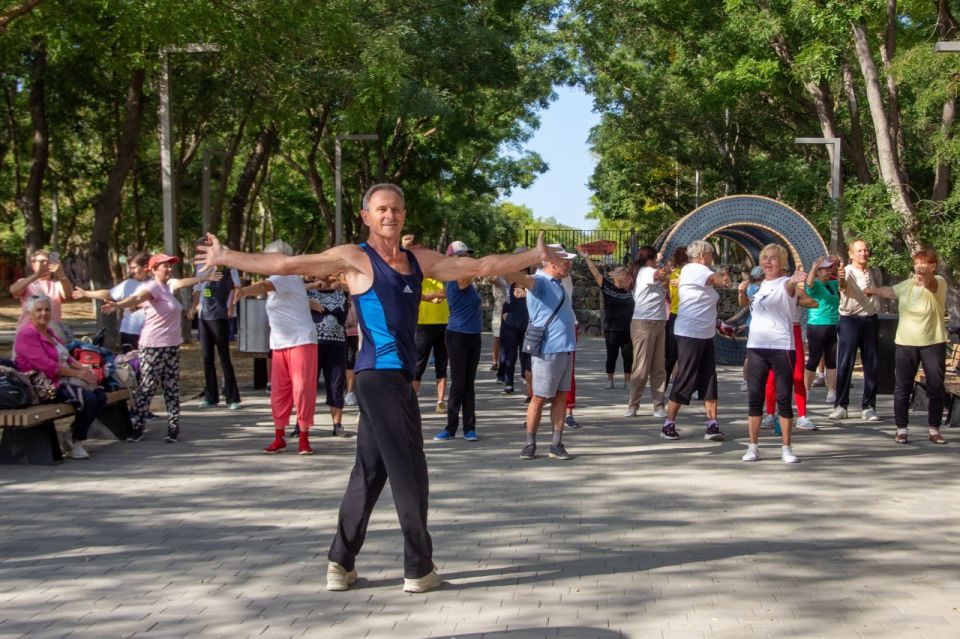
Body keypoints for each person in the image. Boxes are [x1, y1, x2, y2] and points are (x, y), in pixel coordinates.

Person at [195, 182, 560, 594]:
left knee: (369, 472)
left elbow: (479, 267)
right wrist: (226, 256)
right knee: (411, 471)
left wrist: (532, 255)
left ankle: (340, 561)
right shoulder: (353, 257)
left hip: (395, 378)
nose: (391, 215)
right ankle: (418, 567)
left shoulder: (418, 260)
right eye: (382, 209)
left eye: (398, 209)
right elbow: (286, 264)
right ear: (366, 216)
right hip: (378, 376)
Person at [102, 254, 218, 443]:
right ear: (154, 269)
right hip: (153, 346)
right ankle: (137, 428)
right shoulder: (153, 287)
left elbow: (181, 282)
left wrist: (203, 278)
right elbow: (137, 298)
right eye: (165, 266)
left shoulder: (168, 286)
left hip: (171, 346)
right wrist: (118, 305)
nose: (169, 269)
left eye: (170, 266)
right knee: (147, 387)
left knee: (171, 387)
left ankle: (173, 428)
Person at [234, 241, 318, 455]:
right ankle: (279, 437)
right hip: (280, 342)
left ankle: (304, 438)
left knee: (302, 389)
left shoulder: (286, 277)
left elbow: (262, 287)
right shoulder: (284, 280)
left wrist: (243, 291)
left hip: (301, 340)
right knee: (279, 391)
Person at [864, 250, 949, 445]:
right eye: (917, 263)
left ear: (933, 266)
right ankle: (901, 429)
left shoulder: (939, 281)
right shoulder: (908, 285)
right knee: (902, 387)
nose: (919, 267)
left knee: (935, 387)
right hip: (905, 343)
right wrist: (873, 290)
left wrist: (924, 274)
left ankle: (934, 429)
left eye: (924, 264)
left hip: (932, 342)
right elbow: (891, 291)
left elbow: (930, 284)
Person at [506, 246, 578, 461]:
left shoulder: (556, 283)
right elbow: (512, 274)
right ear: (551, 262)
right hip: (549, 350)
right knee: (539, 397)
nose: (569, 264)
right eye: (565, 260)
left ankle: (556, 443)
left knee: (561, 398)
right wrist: (530, 257)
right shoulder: (540, 282)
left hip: (565, 349)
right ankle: (529, 443)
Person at [14, 294, 106, 460]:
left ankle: (73, 434)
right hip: (43, 385)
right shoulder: (26, 335)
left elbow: (67, 357)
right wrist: (78, 374)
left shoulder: (49, 332)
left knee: (100, 395)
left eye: (47, 309)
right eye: (39, 310)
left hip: (61, 379)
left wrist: (85, 371)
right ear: (29, 313)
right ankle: (76, 441)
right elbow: (48, 366)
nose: (44, 313)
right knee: (89, 399)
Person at [740, 244, 804, 463]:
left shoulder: (785, 283)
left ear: (782, 262)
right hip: (756, 347)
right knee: (754, 397)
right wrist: (741, 290)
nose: (768, 262)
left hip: (781, 347)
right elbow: (746, 306)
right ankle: (753, 446)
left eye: (773, 258)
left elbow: (791, 285)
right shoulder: (759, 286)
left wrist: (797, 278)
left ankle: (787, 448)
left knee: (783, 398)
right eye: (765, 258)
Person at [662, 239, 729, 441]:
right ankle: (668, 423)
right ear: (702, 256)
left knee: (709, 377)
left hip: (704, 333)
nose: (711, 259)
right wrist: (724, 275)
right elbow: (721, 281)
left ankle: (712, 424)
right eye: (710, 255)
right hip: (691, 333)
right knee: (686, 377)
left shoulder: (692, 271)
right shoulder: (697, 269)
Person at [435, 241, 483, 442]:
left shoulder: (467, 280)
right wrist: (477, 268)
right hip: (457, 336)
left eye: (467, 254)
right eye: (461, 255)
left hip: (474, 335)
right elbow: (464, 281)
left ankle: (469, 428)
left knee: (469, 384)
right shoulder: (455, 279)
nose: (465, 258)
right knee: (458, 384)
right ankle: (450, 427)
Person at [830, 239, 881, 421]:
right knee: (845, 363)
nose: (863, 253)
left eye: (866, 250)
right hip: (850, 321)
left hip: (871, 321)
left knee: (872, 365)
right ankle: (841, 406)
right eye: (859, 250)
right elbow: (843, 285)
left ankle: (868, 406)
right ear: (851, 254)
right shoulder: (848, 272)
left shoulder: (873, 272)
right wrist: (841, 276)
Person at [188, 259, 242, 410]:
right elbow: (198, 289)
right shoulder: (200, 267)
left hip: (219, 315)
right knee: (207, 357)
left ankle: (232, 397)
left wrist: (231, 307)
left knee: (224, 357)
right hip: (203, 316)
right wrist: (193, 307)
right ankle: (211, 396)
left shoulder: (228, 267)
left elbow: (235, 288)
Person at [623, 246, 670, 418]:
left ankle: (659, 405)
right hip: (644, 323)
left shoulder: (651, 271)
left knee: (658, 367)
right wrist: (665, 266)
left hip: (658, 322)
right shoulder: (646, 271)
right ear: (651, 257)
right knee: (641, 366)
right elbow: (660, 275)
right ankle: (633, 405)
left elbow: (664, 282)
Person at [73, 252, 150, 350]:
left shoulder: (155, 285)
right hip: (129, 332)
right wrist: (86, 293)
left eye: (134, 268)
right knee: (131, 363)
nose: (132, 271)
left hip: (150, 333)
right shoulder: (128, 284)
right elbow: (108, 294)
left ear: (145, 267)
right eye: (130, 268)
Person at [580, 254, 634, 390]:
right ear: (612, 275)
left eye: (624, 271)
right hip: (612, 328)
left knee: (628, 355)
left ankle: (628, 381)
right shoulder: (608, 287)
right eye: (620, 271)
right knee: (612, 355)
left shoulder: (632, 290)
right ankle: (610, 380)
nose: (623, 273)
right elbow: (596, 274)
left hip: (629, 328)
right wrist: (587, 258)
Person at [306, 275, 350, 438]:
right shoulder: (307, 292)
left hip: (337, 345)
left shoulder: (342, 291)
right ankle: (302, 424)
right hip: (312, 345)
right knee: (308, 385)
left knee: (336, 385)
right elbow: (287, 295)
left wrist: (341, 284)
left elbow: (360, 290)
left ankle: (337, 425)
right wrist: (307, 300)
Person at [10, 249, 74, 341]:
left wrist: (61, 273)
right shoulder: (26, 282)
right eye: (41, 261)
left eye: (48, 262)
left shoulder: (57, 284)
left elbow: (68, 294)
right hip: (28, 333)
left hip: (52, 334)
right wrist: (36, 275)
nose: (45, 264)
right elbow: (14, 290)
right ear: (33, 264)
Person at [804, 255, 840, 403]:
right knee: (814, 358)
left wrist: (838, 265)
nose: (828, 271)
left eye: (829, 268)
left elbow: (845, 282)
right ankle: (805, 390)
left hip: (832, 325)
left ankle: (832, 391)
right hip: (817, 326)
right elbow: (809, 283)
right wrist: (813, 267)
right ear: (818, 272)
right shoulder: (815, 285)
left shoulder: (832, 284)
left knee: (832, 360)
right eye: (825, 269)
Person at [412, 275, 449, 413]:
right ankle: (412, 398)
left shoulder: (443, 278)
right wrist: (432, 295)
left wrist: (437, 295)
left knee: (442, 363)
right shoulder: (419, 279)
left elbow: (447, 291)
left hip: (443, 324)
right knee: (418, 364)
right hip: (424, 325)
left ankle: (440, 401)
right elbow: (415, 295)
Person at [498, 275, 532, 399]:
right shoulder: (509, 288)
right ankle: (509, 383)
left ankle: (527, 384)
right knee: (510, 356)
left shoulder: (530, 287)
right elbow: (506, 304)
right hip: (511, 327)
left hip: (527, 327)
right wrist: (504, 313)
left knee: (526, 357)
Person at [665, 247, 689, 384]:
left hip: (675, 315)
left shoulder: (675, 274)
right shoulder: (681, 274)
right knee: (680, 352)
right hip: (682, 314)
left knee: (672, 353)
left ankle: (664, 383)